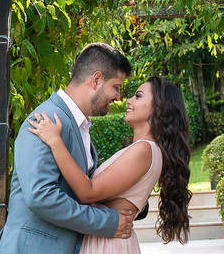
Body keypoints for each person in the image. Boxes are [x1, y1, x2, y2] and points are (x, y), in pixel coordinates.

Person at [0, 43, 136, 254]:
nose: (118, 97)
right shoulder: (45, 119)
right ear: (96, 80)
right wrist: (106, 222)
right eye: (116, 87)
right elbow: (41, 196)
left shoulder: (78, 126)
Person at [27, 75, 193, 253]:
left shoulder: (145, 149)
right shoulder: (144, 149)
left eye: (138, 96)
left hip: (107, 244)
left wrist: (55, 141)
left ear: (159, 109)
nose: (128, 100)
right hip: (106, 239)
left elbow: (87, 192)